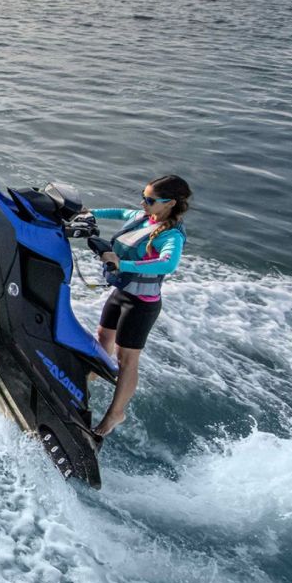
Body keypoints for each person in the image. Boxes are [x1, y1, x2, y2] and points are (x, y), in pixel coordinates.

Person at [88, 175, 191, 436]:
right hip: (121, 294)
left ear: (170, 203)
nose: (143, 203)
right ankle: (90, 378)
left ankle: (115, 413)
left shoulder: (171, 236)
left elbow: (168, 264)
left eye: (150, 200)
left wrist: (122, 264)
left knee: (126, 359)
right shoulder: (143, 217)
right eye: (143, 197)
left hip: (141, 305)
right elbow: (119, 212)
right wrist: (87, 213)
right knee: (102, 338)